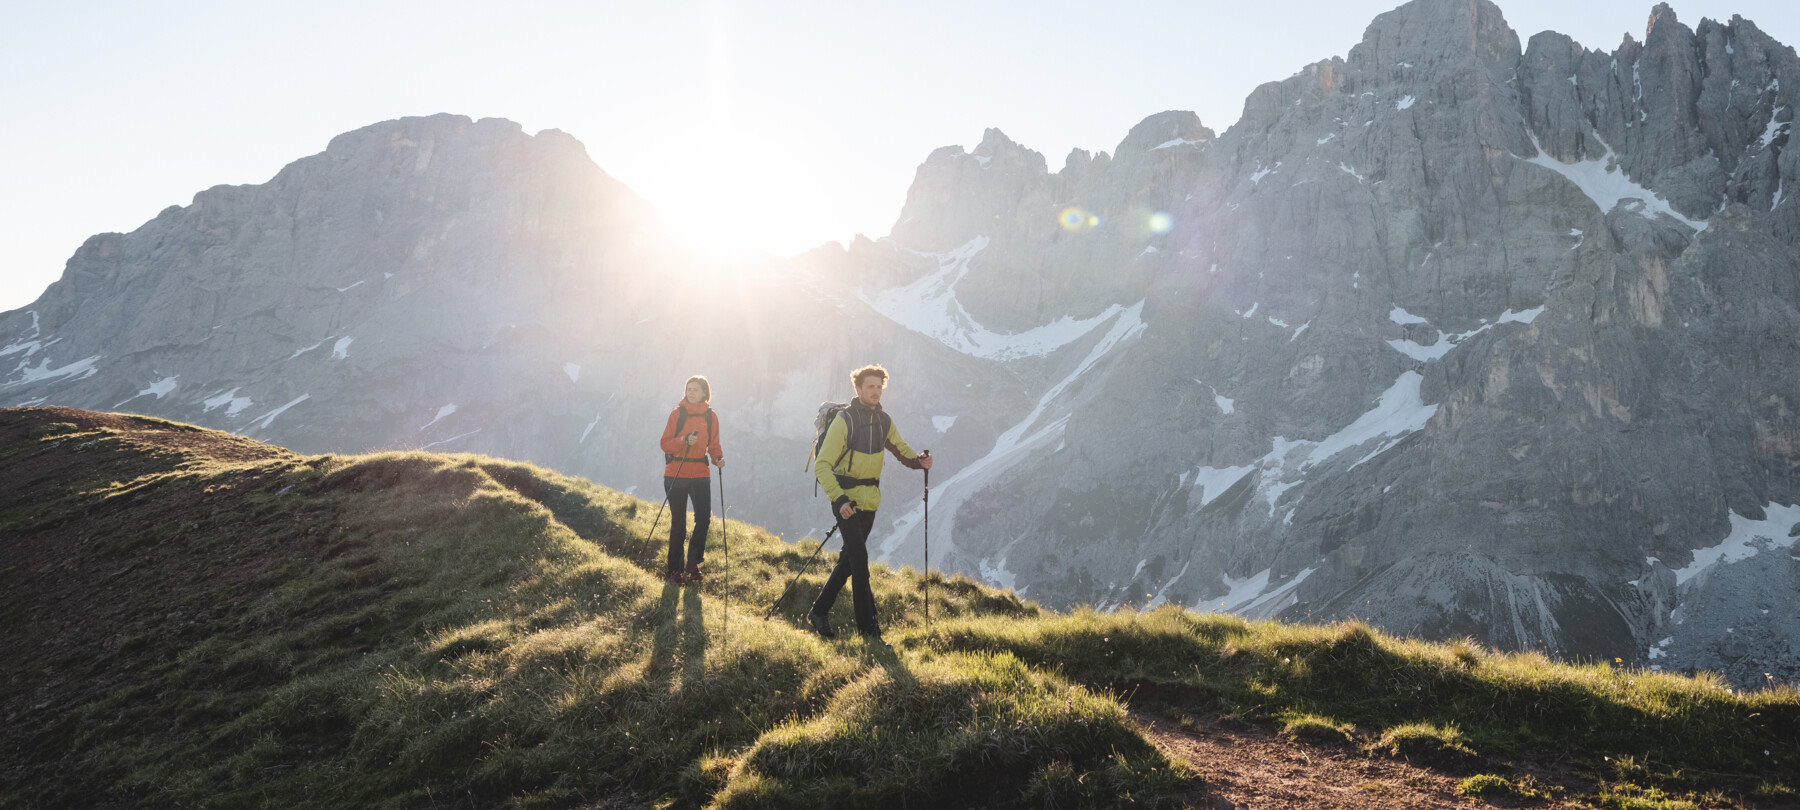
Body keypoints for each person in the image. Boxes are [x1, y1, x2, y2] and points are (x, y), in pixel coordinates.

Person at [808, 364, 932, 641]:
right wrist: (839, 499)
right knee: (861, 564)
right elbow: (823, 465)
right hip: (846, 500)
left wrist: (920, 461)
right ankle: (870, 633)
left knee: (849, 562)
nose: (875, 391)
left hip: (870, 502)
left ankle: (818, 612)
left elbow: (902, 449)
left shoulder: (883, 421)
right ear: (859, 389)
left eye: (879, 386)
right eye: (870, 387)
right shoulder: (845, 420)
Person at [659, 375, 724, 586]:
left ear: (705, 393)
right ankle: (674, 571)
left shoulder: (710, 416)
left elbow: (714, 445)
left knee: (703, 519)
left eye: (696, 389)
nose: (691, 392)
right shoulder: (677, 414)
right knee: (679, 524)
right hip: (676, 473)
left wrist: (718, 458)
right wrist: (683, 441)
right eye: (689, 389)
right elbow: (665, 443)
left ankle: (692, 563)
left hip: (700, 474)